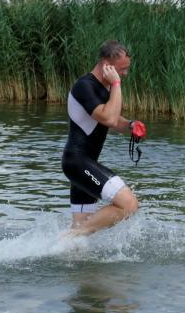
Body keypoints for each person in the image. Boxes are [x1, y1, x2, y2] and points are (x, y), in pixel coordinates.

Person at [62, 40, 146, 236]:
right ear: (107, 64)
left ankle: (63, 247)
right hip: (78, 163)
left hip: (84, 165)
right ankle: (65, 238)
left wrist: (130, 125)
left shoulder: (102, 88)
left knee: (80, 240)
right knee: (129, 204)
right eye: (122, 69)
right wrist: (116, 84)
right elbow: (108, 118)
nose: (125, 73)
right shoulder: (84, 86)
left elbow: (112, 119)